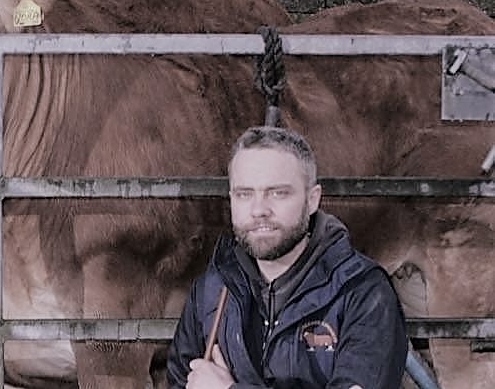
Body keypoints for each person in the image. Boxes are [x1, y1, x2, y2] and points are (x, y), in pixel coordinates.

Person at [167, 126, 408, 389]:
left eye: (278, 193)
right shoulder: (212, 289)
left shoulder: (362, 292)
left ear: (313, 199)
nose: (259, 209)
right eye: (244, 194)